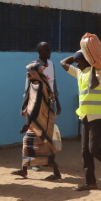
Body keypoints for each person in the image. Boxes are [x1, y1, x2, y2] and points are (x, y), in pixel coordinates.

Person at [61, 51, 101, 191]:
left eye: (79, 61)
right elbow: (63, 63)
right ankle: (91, 182)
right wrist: (82, 52)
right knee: (85, 152)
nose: (76, 63)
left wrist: (93, 63)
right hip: (86, 116)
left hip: (99, 116)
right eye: (76, 61)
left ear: (87, 61)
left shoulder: (100, 72)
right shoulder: (80, 73)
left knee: (94, 148)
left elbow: (92, 84)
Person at [11, 63, 61, 179]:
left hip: (42, 121)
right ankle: (24, 170)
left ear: (35, 73)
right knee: (27, 142)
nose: (27, 74)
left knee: (45, 145)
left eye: (29, 72)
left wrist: (27, 124)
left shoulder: (39, 86)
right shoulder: (34, 84)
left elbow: (35, 106)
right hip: (35, 121)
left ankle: (56, 172)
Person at [25, 42, 61, 171]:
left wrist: (58, 102)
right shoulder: (33, 66)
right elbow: (27, 88)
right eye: (46, 50)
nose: (49, 52)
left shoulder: (51, 65)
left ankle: (44, 159)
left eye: (50, 50)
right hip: (37, 104)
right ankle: (34, 162)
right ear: (39, 51)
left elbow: (54, 85)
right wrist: (27, 106)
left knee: (47, 132)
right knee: (36, 132)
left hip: (49, 103)